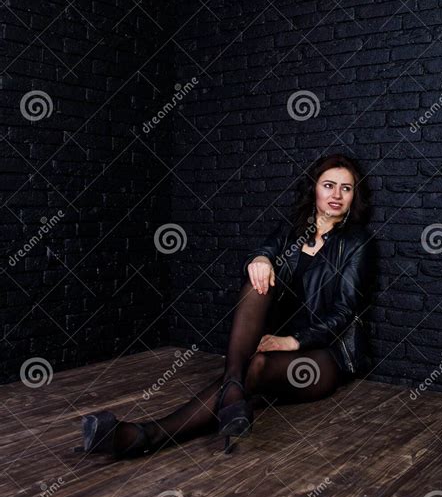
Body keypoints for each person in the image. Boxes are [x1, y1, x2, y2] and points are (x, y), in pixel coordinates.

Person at [79, 153, 374, 459]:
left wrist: (292, 341)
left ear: (354, 196)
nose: (336, 195)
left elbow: (344, 313)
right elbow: (265, 251)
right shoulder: (293, 229)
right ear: (314, 189)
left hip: (325, 356)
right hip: (278, 343)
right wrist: (259, 259)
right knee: (256, 286)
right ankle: (230, 389)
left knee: (255, 366)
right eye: (329, 185)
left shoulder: (357, 243)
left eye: (346, 188)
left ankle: (149, 434)